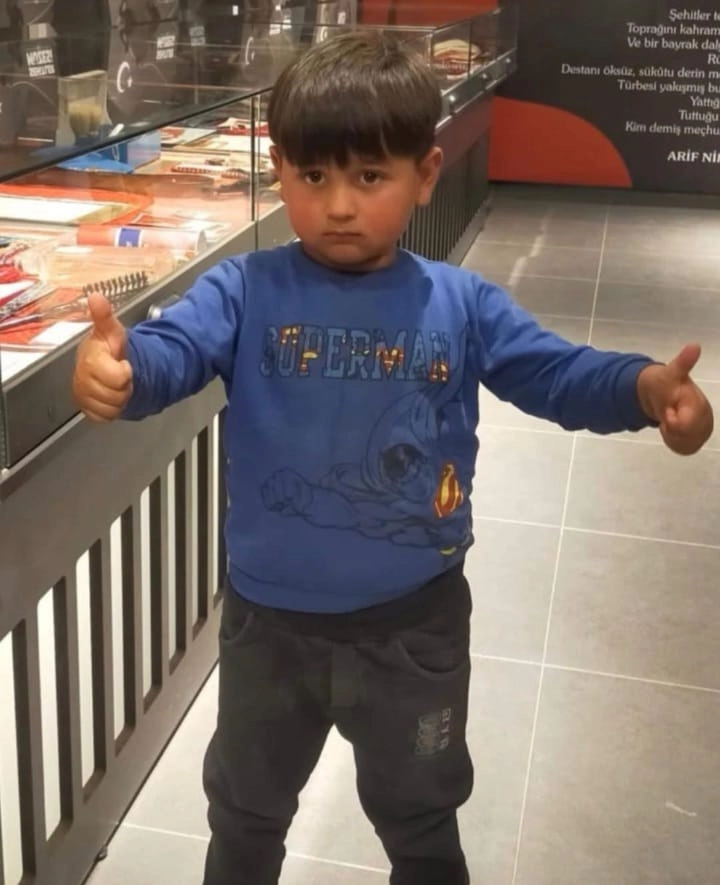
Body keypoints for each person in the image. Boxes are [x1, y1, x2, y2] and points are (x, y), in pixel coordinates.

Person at [71, 30, 714, 885]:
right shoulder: (245, 290)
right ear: (278, 168)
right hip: (269, 629)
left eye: (369, 176)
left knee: (421, 822)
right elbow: (173, 351)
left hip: (415, 628)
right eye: (313, 176)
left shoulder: (460, 303)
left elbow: (554, 372)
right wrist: (122, 371)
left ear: (426, 172)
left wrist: (640, 388)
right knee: (246, 816)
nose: (339, 205)